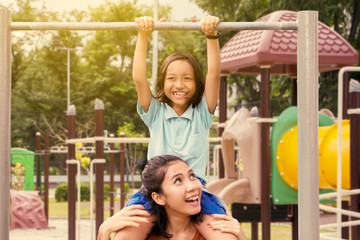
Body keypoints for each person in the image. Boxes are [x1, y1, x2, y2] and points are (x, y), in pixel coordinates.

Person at [98, 15, 239, 239]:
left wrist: (211, 36)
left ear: (197, 83)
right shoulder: (156, 113)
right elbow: (139, 78)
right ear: (163, 82)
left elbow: (214, 74)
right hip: (156, 189)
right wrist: (143, 35)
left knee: (225, 235)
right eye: (172, 78)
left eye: (187, 79)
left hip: (195, 192)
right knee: (127, 234)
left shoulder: (202, 114)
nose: (179, 85)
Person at [98, 155, 247, 240]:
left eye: (192, 176)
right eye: (178, 180)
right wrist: (103, 232)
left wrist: (241, 236)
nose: (193, 186)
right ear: (159, 198)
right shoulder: (144, 235)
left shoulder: (212, 232)